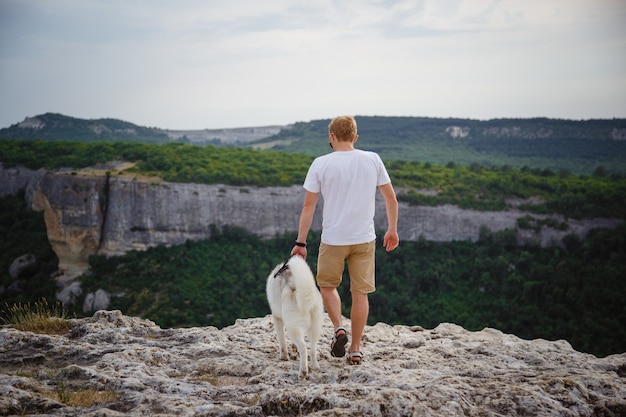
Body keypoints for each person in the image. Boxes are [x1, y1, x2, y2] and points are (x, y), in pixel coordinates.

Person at [291, 115, 399, 365]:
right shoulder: (373, 159)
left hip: (333, 239)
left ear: (331, 137)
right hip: (364, 238)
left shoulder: (320, 163)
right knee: (360, 293)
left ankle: (339, 327)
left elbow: (309, 207)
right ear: (355, 137)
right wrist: (392, 230)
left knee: (328, 286)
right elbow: (391, 199)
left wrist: (301, 243)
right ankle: (356, 349)